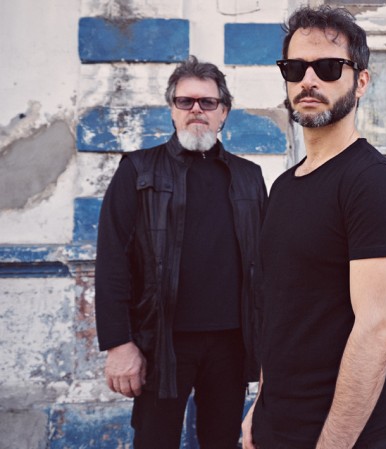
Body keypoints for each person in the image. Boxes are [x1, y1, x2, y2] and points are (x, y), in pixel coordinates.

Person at [241, 6, 386, 449]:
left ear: (361, 81)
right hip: (278, 423)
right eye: (295, 68)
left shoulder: (373, 183)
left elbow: (377, 329)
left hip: (342, 434)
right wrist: (260, 405)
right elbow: (279, 311)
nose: (308, 80)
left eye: (329, 67)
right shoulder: (283, 186)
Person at [94, 55, 267, 448]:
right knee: (155, 441)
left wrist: (268, 344)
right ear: (172, 109)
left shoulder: (249, 176)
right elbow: (112, 260)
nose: (196, 110)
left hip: (231, 344)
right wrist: (119, 344)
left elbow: (267, 264)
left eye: (208, 102)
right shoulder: (137, 170)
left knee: (222, 441)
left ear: (224, 112)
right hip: (160, 343)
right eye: (185, 101)